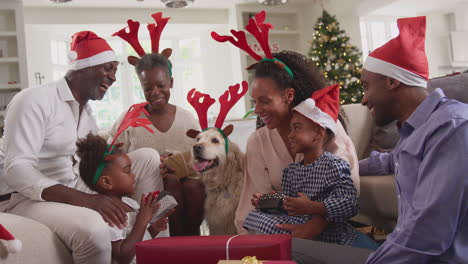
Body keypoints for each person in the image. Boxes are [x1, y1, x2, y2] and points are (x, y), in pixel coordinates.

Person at [293, 16, 468, 264]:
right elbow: (389, 161)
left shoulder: (452, 128)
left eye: (366, 86)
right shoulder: (416, 130)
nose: (363, 100)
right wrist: (336, 166)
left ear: (392, 81)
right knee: (291, 249)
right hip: (399, 253)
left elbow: (428, 235)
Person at [0, 31, 163, 264]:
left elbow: (92, 161)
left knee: (148, 157)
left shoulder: (86, 114)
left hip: (75, 184)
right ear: (84, 67)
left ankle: (155, 250)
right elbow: (16, 170)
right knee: (94, 229)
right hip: (26, 198)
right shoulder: (34, 100)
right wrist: (86, 200)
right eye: (108, 68)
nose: (113, 78)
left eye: (115, 71)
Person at [234, 50, 360, 237]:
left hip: (328, 223)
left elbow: (350, 189)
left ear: (289, 96)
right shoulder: (258, 141)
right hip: (285, 223)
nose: (257, 109)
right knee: (255, 220)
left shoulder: (325, 126)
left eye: (265, 101)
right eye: (254, 102)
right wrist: (265, 201)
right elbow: (256, 205)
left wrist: (315, 223)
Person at [244, 84, 377, 250]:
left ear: (318, 133)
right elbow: (290, 205)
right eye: (291, 128)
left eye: (297, 128)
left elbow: (350, 204)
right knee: (254, 216)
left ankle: (297, 242)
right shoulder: (291, 171)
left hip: (330, 233)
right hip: (299, 221)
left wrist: (313, 207)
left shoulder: (333, 165)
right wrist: (272, 201)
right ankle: (293, 241)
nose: (290, 135)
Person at [112, 15, 204, 236]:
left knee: (193, 186)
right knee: (170, 183)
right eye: (147, 87)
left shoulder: (187, 118)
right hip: (145, 187)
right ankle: (175, 245)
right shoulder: (130, 118)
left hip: (185, 185)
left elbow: (204, 159)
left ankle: (191, 242)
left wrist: (179, 163)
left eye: (161, 85)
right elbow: (113, 156)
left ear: (171, 83)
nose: (155, 92)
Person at [76, 133, 171, 264]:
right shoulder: (109, 215)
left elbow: (138, 238)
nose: (133, 175)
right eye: (127, 171)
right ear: (107, 182)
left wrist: (153, 228)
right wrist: (142, 220)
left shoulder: (129, 203)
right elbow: (122, 256)